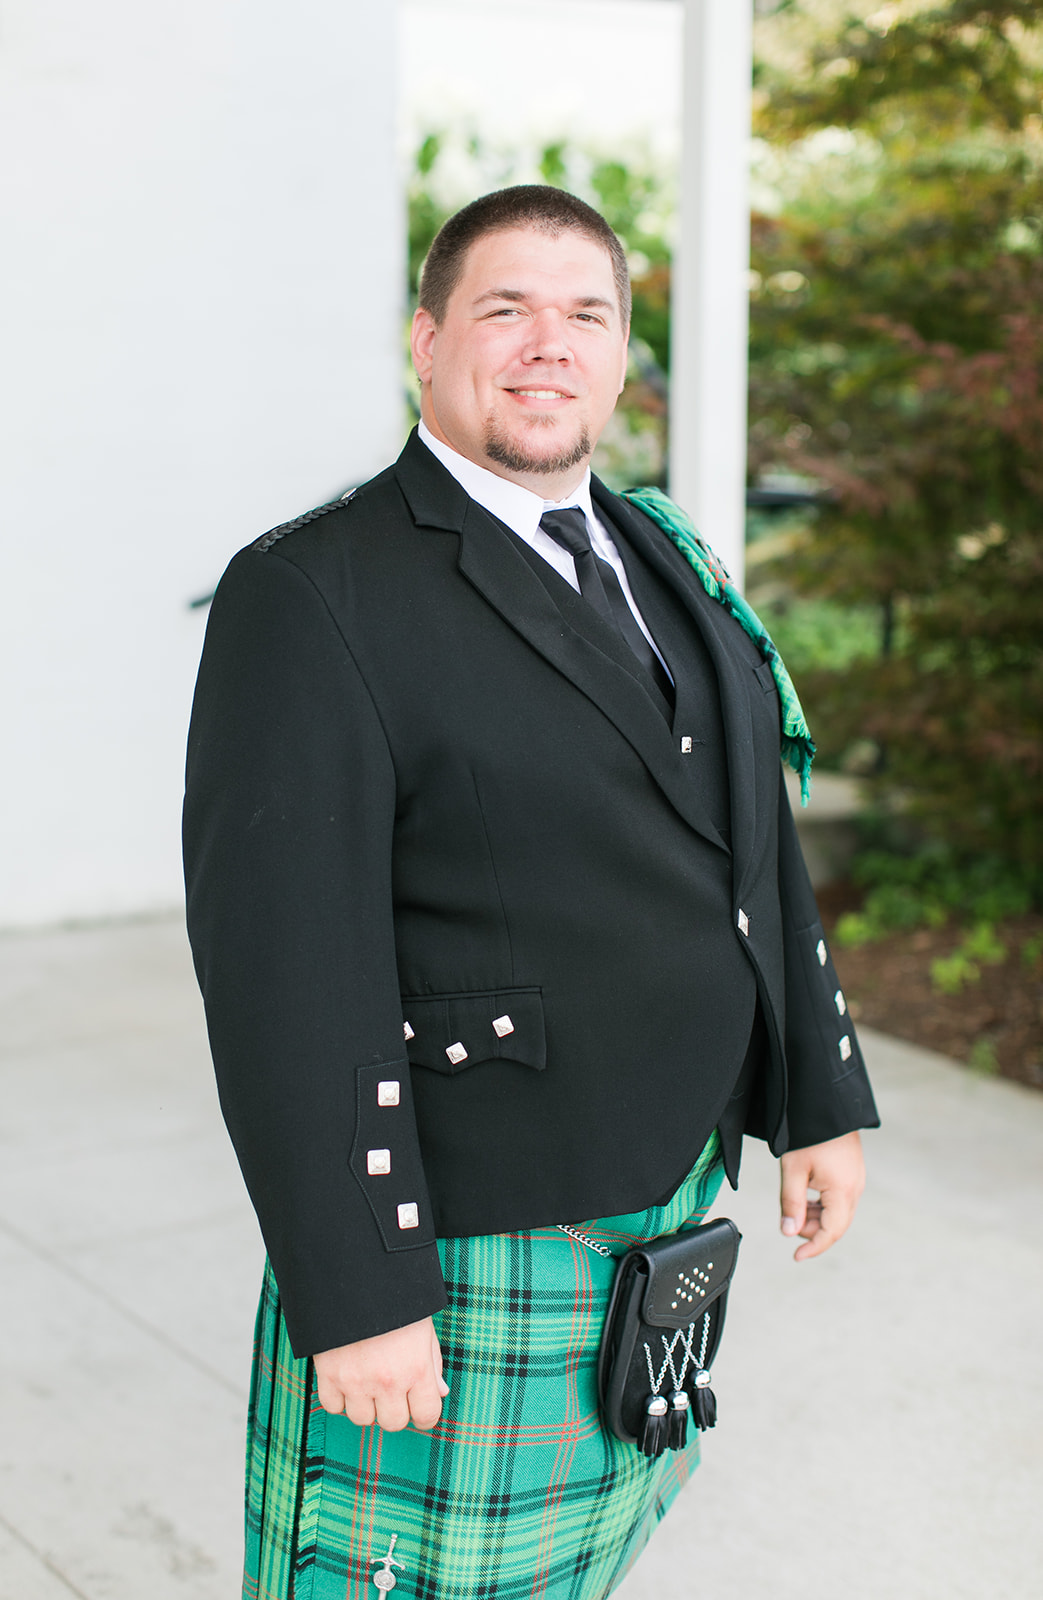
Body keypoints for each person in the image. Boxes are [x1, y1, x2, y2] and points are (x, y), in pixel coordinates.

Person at [183, 185, 878, 1600]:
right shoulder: (311, 593)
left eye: (586, 316)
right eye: (505, 309)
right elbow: (285, 979)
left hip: (660, 1201)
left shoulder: (668, 555)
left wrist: (817, 1091)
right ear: (426, 341)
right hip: (469, 1237)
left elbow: (753, 841)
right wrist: (358, 1293)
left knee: (580, 1567)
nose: (546, 345)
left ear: (623, 361)